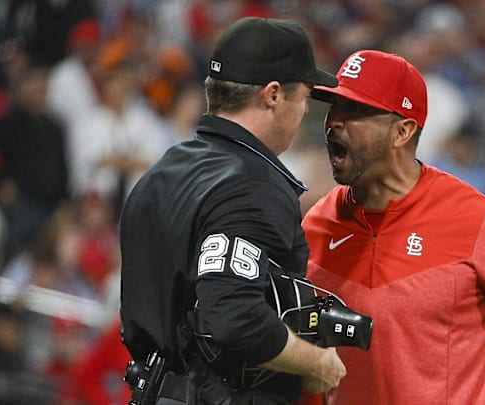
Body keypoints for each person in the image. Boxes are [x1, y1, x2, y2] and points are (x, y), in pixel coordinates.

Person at [301, 50, 485, 404]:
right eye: (333, 107)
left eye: (354, 111)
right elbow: (309, 355)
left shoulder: (479, 223)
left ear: (402, 131)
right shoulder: (318, 222)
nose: (334, 123)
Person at [119, 17, 346, 405]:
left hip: (159, 389)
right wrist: (315, 362)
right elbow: (233, 317)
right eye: (304, 97)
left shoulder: (168, 169)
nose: (305, 110)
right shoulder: (252, 183)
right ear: (273, 95)